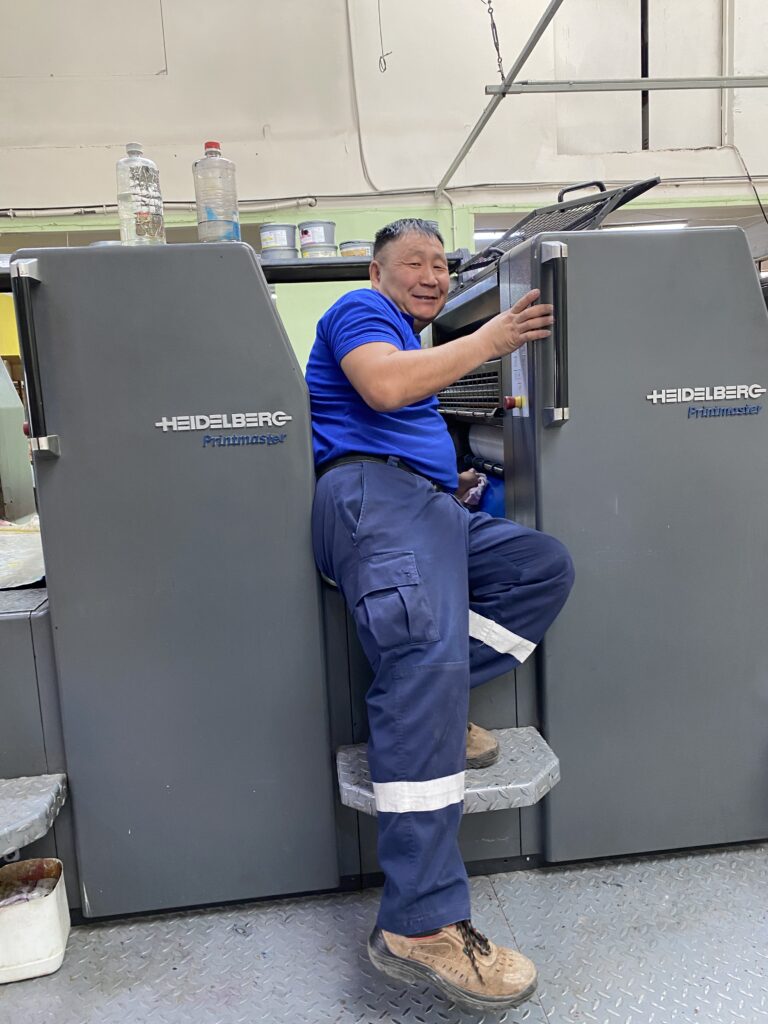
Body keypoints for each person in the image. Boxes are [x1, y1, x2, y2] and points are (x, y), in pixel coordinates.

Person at [306, 218, 574, 1014]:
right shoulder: (360, 310)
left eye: (441, 264)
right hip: (371, 497)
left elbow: (403, 404)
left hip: (423, 503)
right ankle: (419, 924)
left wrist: (445, 479)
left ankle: (438, 702)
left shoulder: (410, 335)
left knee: (539, 568)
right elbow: (384, 388)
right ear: (376, 271)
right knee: (425, 659)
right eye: (414, 262)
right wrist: (492, 339)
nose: (432, 275)